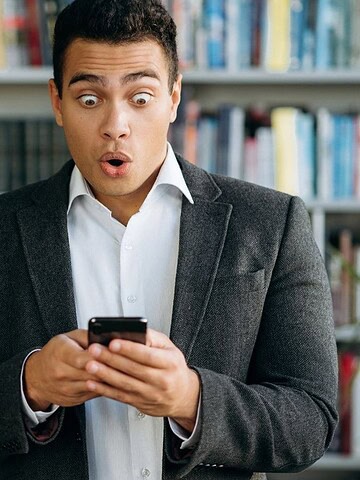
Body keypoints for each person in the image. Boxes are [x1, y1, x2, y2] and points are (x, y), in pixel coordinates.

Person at [0, 0, 338, 479]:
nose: (116, 125)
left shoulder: (271, 223)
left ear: (174, 97)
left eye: (140, 98)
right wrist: (28, 386)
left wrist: (190, 399)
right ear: (57, 102)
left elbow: (312, 420)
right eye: (89, 99)